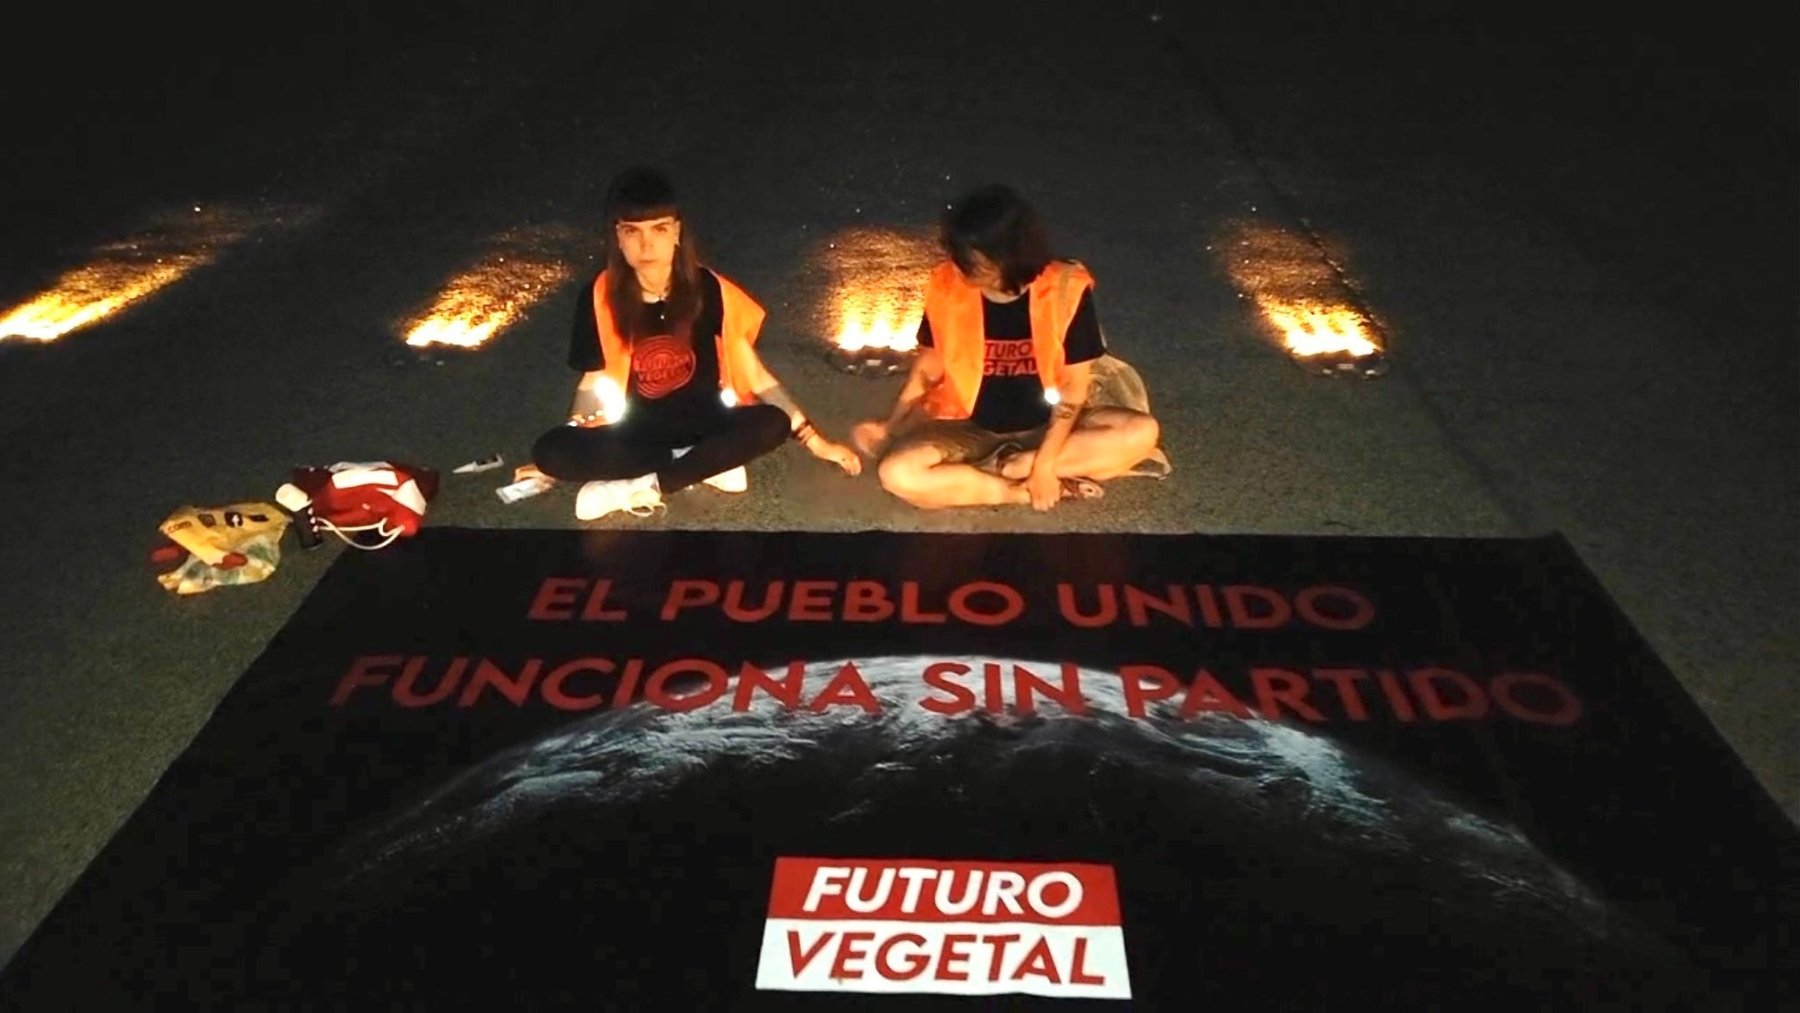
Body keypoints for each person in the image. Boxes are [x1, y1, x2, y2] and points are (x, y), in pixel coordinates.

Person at [527, 167, 860, 520]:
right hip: (638, 435)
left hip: (707, 422)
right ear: (618, 238)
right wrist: (573, 436)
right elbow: (592, 383)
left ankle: (646, 486)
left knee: (772, 424)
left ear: (677, 232)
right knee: (550, 452)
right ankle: (699, 466)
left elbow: (756, 375)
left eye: (659, 229)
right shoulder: (599, 297)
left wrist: (817, 442)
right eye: (632, 232)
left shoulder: (708, 289)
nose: (646, 245)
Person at [852, 184, 1161, 511]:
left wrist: (1043, 463)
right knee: (897, 474)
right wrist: (890, 425)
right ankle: (1016, 491)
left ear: (1005, 257)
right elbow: (927, 370)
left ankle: (1018, 468)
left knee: (1141, 432)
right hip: (970, 426)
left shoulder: (1065, 287)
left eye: (969, 258)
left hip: (1053, 425)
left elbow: (1073, 388)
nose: (956, 265)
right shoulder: (946, 286)